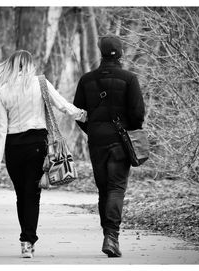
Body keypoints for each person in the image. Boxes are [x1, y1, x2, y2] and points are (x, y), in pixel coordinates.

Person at [0, 50, 87, 258]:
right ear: (30, 65)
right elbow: (62, 105)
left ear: (11, 65)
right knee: (33, 194)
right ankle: (28, 241)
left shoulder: (1, 90)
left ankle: (25, 241)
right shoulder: (40, 84)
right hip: (37, 144)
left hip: (13, 147)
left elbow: (0, 127)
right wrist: (82, 115)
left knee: (21, 195)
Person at [73, 35, 145, 257]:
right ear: (121, 53)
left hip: (97, 141)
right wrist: (128, 131)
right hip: (120, 141)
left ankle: (108, 234)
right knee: (116, 188)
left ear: (100, 52)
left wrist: (93, 130)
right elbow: (138, 114)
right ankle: (111, 237)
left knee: (104, 190)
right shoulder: (129, 78)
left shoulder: (87, 80)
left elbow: (78, 114)